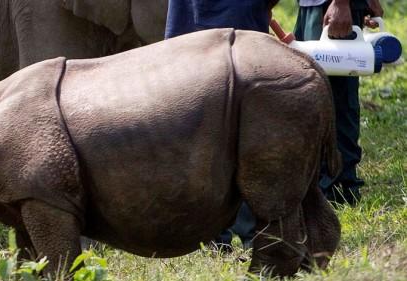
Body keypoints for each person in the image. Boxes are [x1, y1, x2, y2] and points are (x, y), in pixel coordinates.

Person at [164, 0, 279, 250]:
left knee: (228, 134)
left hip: (220, 28)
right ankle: (234, 233)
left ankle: (230, 234)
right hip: (211, 26)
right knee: (231, 134)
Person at [294, 0, 384, 205]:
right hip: (313, 5)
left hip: (331, 6)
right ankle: (325, 183)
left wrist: (341, 3)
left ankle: (338, 188)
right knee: (314, 91)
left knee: (334, 97)